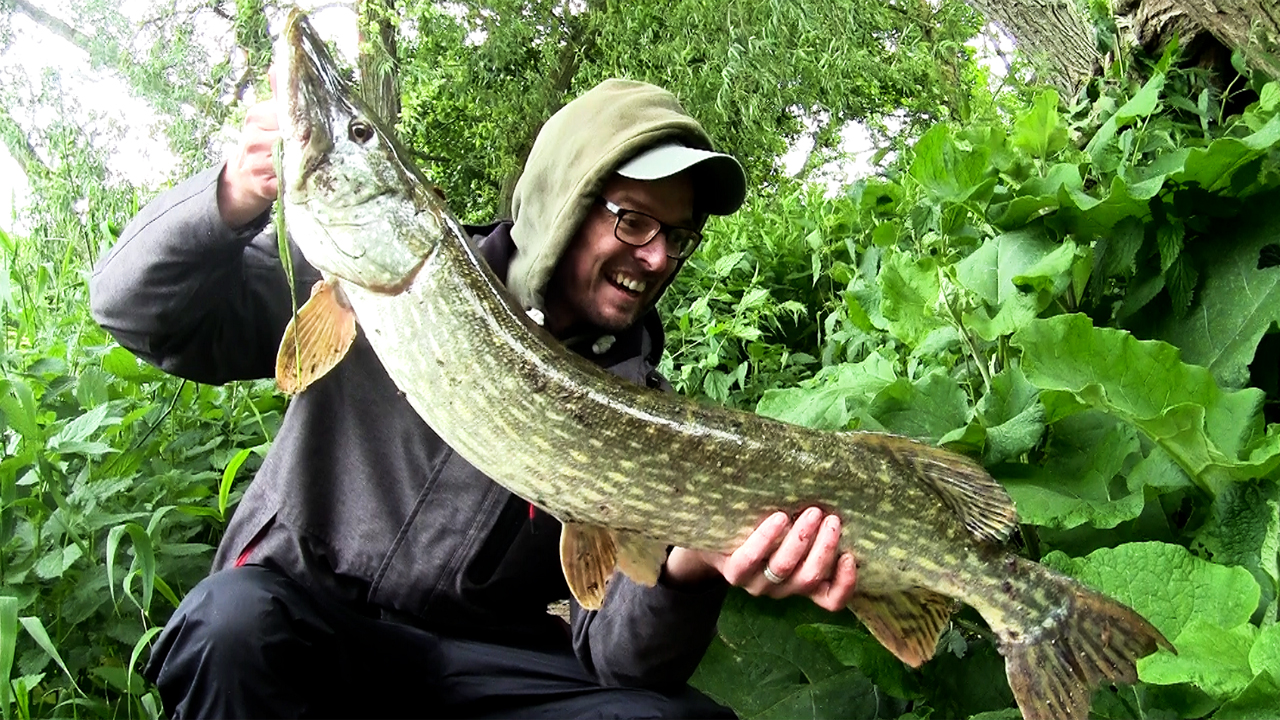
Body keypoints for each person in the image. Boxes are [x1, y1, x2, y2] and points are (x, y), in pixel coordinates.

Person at [90, 77, 858, 719]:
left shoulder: (643, 410)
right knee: (230, 626)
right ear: (564, 200)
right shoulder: (372, 270)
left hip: (477, 667)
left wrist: (688, 568)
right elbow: (136, 310)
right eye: (632, 221)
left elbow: (621, 662)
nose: (657, 257)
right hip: (307, 616)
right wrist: (231, 193)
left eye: (676, 236)